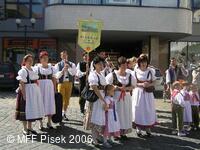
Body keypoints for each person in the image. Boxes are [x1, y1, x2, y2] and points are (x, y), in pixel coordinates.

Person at [106, 56, 135, 140]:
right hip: (116, 97)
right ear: (119, 65)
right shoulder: (113, 75)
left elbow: (133, 86)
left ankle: (123, 132)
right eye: (123, 65)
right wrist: (116, 88)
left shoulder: (130, 75)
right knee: (116, 114)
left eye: (125, 65)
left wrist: (125, 88)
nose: (125, 67)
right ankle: (115, 133)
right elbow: (108, 86)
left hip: (126, 97)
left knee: (125, 114)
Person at [16, 54, 45, 135]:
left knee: (31, 109)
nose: (30, 62)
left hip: (33, 93)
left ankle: (30, 127)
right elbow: (21, 83)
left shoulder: (33, 70)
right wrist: (24, 95)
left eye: (31, 60)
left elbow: (36, 81)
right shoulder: (23, 71)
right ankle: (25, 128)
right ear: (25, 61)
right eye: (29, 60)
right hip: (26, 92)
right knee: (25, 110)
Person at [132, 54, 157, 137]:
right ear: (139, 62)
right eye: (142, 62)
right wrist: (141, 84)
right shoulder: (135, 71)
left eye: (145, 62)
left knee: (148, 110)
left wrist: (149, 85)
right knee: (138, 109)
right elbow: (133, 83)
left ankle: (147, 128)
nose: (143, 64)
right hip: (138, 93)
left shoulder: (151, 71)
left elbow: (154, 82)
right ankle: (138, 128)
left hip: (148, 94)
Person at [88, 56, 108, 148]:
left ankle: (97, 137)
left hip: (102, 97)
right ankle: (94, 139)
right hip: (96, 99)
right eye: (99, 64)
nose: (101, 65)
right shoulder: (93, 74)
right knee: (94, 118)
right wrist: (102, 99)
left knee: (99, 118)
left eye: (102, 64)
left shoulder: (101, 74)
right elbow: (95, 88)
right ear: (95, 65)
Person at [34, 51, 57, 130]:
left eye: (46, 58)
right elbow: (35, 80)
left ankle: (49, 122)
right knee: (41, 103)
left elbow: (54, 79)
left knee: (50, 103)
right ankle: (40, 123)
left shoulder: (52, 68)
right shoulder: (37, 68)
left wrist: (54, 89)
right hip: (40, 87)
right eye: (43, 58)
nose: (45, 59)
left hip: (49, 88)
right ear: (40, 59)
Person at [55, 50, 77, 121]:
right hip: (61, 83)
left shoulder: (72, 64)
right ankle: (59, 113)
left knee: (67, 100)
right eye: (63, 55)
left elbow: (73, 73)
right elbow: (56, 76)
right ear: (61, 56)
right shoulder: (57, 65)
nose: (64, 56)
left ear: (67, 56)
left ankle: (64, 113)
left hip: (69, 83)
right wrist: (62, 71)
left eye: (65, 55)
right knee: (60, 99)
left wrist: (69, 68)